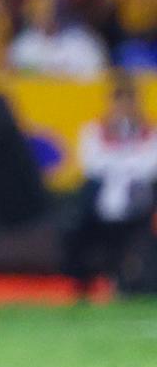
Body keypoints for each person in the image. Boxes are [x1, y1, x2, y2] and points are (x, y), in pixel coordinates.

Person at [66, 74, 157, 295]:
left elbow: (149, 167)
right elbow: (92, 165)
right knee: (73, 225)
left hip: (137, 203)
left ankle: (134, 281)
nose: (124, 107)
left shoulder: (150, 133)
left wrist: (120, 160)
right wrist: (125, 156)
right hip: (100, 205)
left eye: (129, 101)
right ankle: (83, 283)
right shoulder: (94, 131)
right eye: (119, 101)